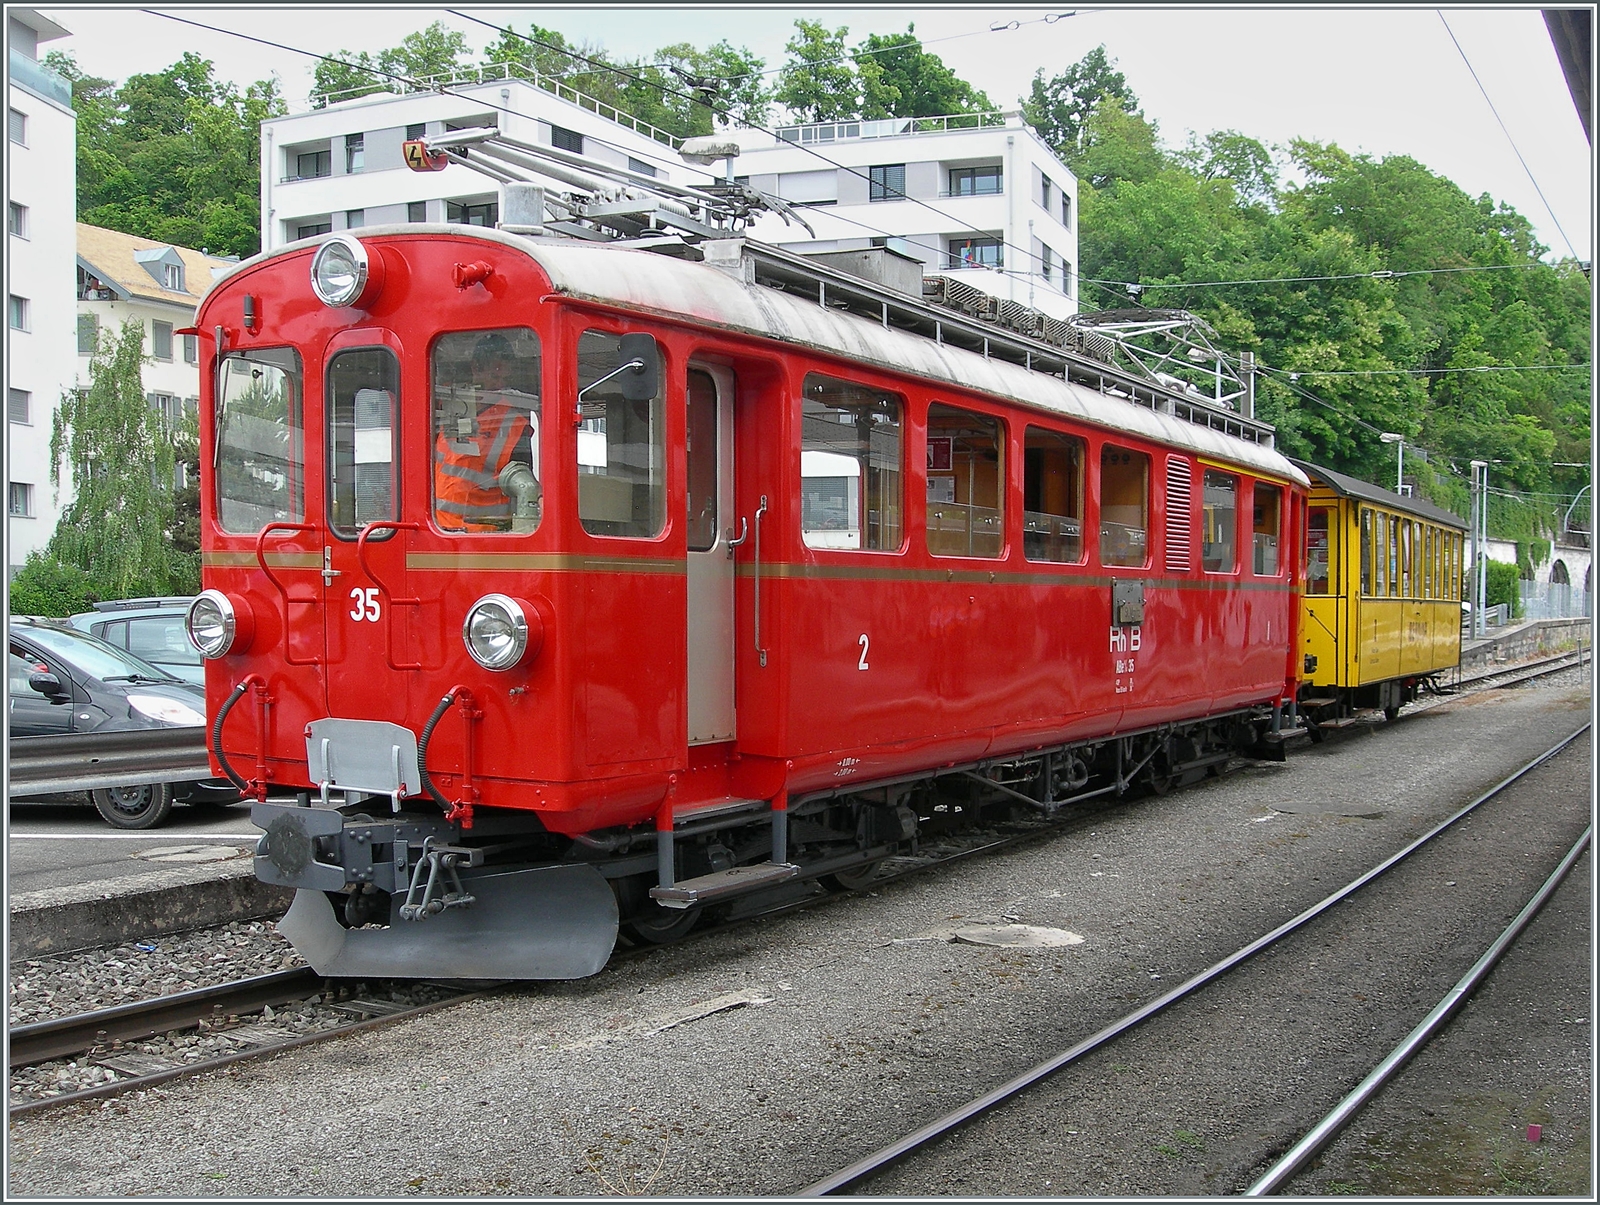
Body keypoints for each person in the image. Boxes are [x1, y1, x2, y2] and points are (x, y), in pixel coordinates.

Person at [433, 334, 539, 532]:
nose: (499, 385)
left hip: (482, 535)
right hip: (436, 527)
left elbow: (523, 484)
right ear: (475, 368)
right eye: (494, 376)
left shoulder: (515, 424)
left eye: (504, 378)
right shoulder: (448, 404)